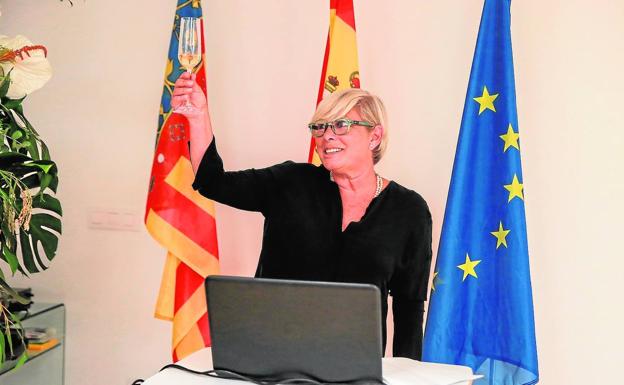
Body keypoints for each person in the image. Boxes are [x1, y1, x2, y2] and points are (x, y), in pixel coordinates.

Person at [172, 72, 432, 360]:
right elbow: (212, 182)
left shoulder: (410, 211)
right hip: (267, 357)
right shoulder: (290, 182)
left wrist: (411, 376)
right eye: (319, 127)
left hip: (352, 368)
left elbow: (409, 309)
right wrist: (197, 117)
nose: (326, 135)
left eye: (341, 125)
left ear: (375, 136)